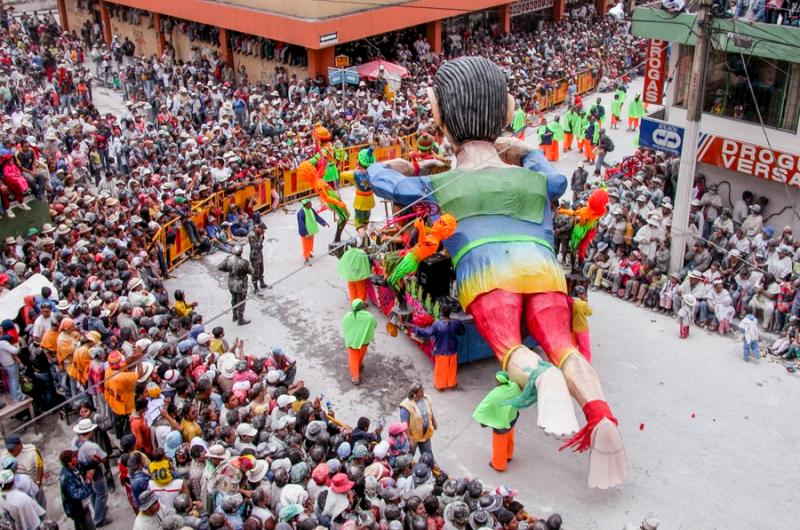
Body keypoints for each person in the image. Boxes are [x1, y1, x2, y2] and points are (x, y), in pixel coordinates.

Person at [472, 371, 521, 472]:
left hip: (501, 423)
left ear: (498, 381)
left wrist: (480, 418)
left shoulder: (496, 393)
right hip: (512, 418)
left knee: (499, 444)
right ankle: (508, 455)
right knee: (510, 437)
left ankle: (499, 464)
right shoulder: (514, 387)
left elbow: (484, 406)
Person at [412, 307, 466, 391]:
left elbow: (426, 333)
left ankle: (440, 386)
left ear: (441, 314)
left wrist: (415, 328)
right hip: (452, 350)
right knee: (452, 368)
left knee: (441, 369)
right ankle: (452, 384)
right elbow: (462, 332)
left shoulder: (437, 325)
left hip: (441, 351)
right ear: (450, 314)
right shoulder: (456, 323)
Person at [72, 419, 112, 527]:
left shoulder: (75, 441)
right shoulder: (92, 446)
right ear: (90, 431)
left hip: (83, 472)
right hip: (95, 472)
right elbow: (103, 458)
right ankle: (99, 519)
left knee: (94, 493)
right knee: (102, 494)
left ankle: (97, 510)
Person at [341, 299, 378, 385]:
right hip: (364, 341)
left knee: (353, 357)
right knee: (361, 354)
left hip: (352, 342)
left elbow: (344, 326)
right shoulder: (368, 316)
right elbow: (375, 324)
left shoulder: (347, 316)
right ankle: (359, 364)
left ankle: (355, 377)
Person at [59, 449, 95, 530]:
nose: (77, 457)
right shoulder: (67, 477)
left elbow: (84, 465)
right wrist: (88, 480)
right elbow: (78, 495)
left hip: (82, 505)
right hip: (76, 509)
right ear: (69, 462)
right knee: (88, 526)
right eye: (74, 457)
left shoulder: (75, 466)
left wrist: (93, 461)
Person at [218, 245, 254, 325]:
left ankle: (234, 315)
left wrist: (229, 270)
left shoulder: (229, 259)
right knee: (241, 301)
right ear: (241, 252)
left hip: (231, 283)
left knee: (233, 299)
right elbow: (252, 272)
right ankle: (240, 319)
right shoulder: (244, 262)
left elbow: (220, 267)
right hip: (241, 285)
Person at [399, 384, 437, 459]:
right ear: (414, 394)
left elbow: (430, 410)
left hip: (425, 434)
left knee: (428, 456)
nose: (423, 393)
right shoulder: (405, 406)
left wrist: (433, 421)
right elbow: (404, 425)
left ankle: (430, 468)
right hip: (413, 438)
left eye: (423, 390)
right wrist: (409, 440)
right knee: (409, 457)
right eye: (420, 392)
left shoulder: (426, 398)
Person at [296, 199, 329, 265]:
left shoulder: (311, 209)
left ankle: (309, 252)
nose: (311, 205)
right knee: (306, 244)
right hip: (305, 232)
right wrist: (305, 234)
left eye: (310, 203)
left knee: (310, 243)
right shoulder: (301, 213)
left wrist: (324, 223)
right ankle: (306, 258)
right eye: (309, 204)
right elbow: (301, 224)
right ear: (305, 205)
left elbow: (316, 217)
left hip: (311, 229)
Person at [571, 286, 593, 362]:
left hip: (574, 328)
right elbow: (590, 312)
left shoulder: (572, 301)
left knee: (575, 345)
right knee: (585, 347)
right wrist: (586, 301)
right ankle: (585, 362)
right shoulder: (583, 304)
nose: (584, 295)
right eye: (583, 293)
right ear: (579, 294)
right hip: (582, 329)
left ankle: (576, 358)